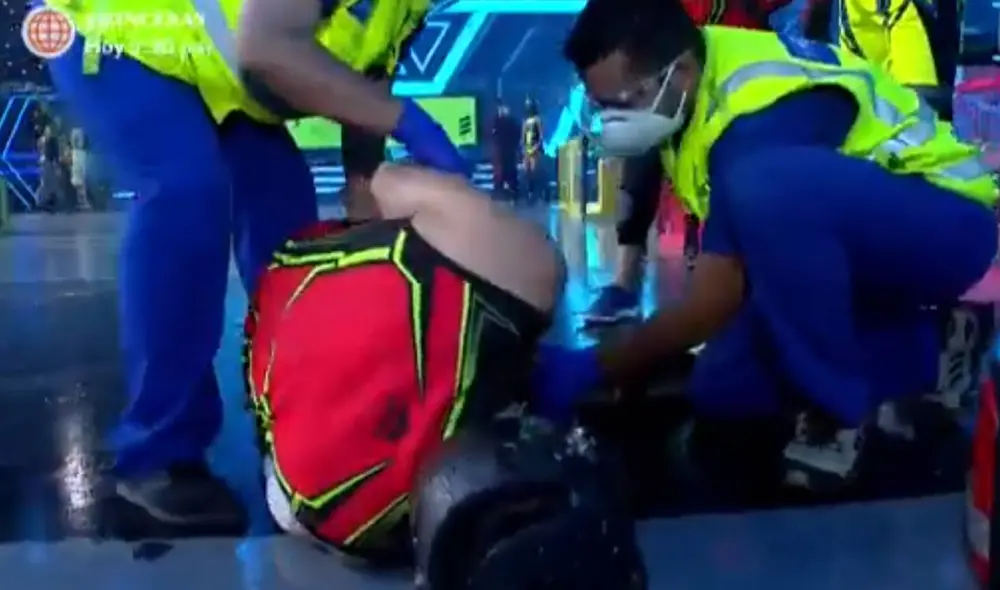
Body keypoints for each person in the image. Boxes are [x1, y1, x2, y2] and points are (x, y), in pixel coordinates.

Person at [535, 0, 998, 489]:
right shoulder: (692, 93)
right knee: (724, 387)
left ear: (682, 73)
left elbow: (714, 299)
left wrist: (598, 365)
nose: (609, 121)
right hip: (867, 248)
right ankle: (921, 348)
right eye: (599, 106)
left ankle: (836, 413)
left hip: (945, 222)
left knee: (765, 184)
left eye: (620, 104)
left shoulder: (758, 114)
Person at [46, 0, 465, 527]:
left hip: (214, 72)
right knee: (185, 189)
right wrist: (409, 122)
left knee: (288, 224)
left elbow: (368, 79)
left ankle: (303, 425)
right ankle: (158, 452)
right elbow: (268, 45)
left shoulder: (410, 6)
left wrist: (365, 192)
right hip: (111, 30)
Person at [247, 164, 563, 555]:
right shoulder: (521, 257)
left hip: (304, 502)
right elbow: (388, 182)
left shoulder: (294, 258)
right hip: (426, 499)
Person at [585, 0, 794, 323]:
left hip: (735, 75)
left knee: (740, 182)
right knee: (641, 159)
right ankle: (626, 282)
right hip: (669, 78)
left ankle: (751, 289)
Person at [522, 96, 544, 200]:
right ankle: (529, 191)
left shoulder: (537, 120)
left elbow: (541, 136)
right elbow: (523, 136)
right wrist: (524, 148)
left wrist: (536, 147)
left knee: (534, 171)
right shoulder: (525, 121)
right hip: (527, 149)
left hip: (535, 149)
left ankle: (536, 192)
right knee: (527, 171)